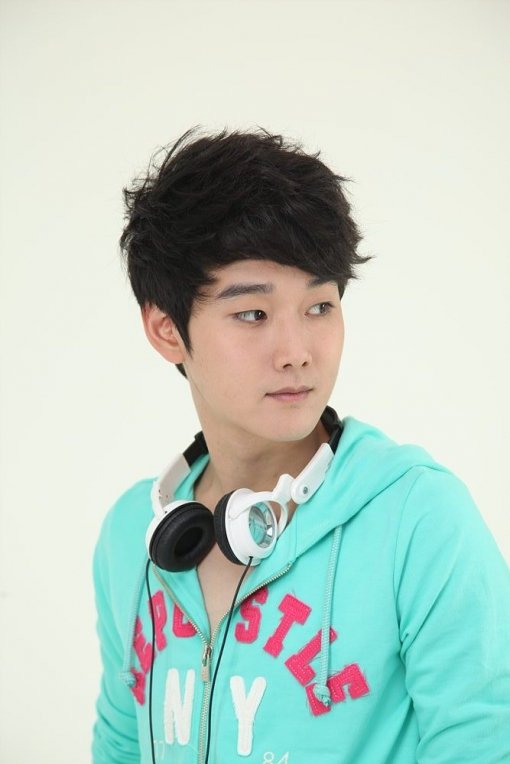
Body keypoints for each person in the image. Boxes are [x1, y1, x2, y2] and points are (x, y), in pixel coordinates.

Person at [92, 126, 510, 764]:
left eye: (319, 306)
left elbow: (484, 742)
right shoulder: (133, 536)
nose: (297, 353)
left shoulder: (419, 519)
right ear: (167, 329)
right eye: (253, 314)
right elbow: (121, 745)